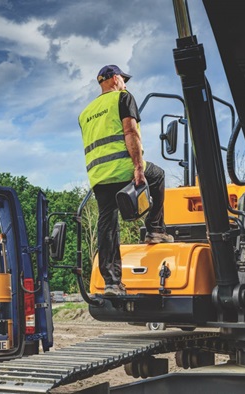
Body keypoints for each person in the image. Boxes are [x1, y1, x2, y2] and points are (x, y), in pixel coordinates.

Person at [78, 65, 173, 296]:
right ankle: (155, 230)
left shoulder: (86, 112)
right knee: (158, 175)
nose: (125, 83)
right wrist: (139, 168)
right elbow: (130, 132)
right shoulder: (122, 98)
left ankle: (112, 282)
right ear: (114, 78)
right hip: (123, 167)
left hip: (99, 175)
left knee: (107, 223)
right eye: (123, 78)